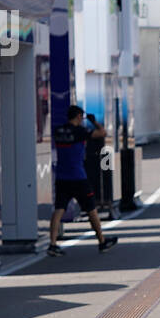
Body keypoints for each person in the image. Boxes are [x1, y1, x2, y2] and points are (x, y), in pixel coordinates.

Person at [47, 106, 118, 256]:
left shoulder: (58, 131)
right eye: (82, 117)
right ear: (78, 116)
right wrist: (95, 122)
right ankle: (102, 241)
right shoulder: (79, 131)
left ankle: (52, 244)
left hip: (61, 177)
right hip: (78, 177)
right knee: (91, 209)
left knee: (59, 209)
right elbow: (102, 133)